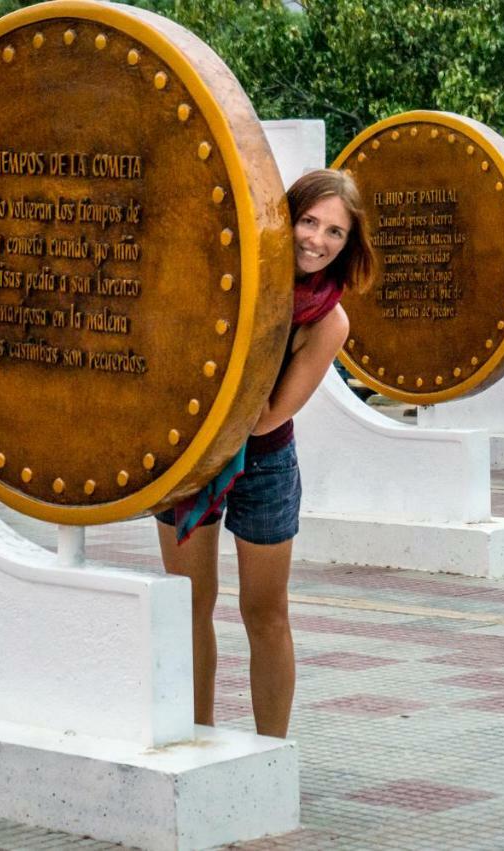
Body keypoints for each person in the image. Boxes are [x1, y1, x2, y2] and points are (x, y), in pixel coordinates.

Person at [155, 168, 376, 738]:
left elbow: (270, 414)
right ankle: (195, 738)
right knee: (188, 605)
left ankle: (270, 753)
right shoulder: (235, 275)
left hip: (264, 463)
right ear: (286, 218)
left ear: (349, 245)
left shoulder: (330, 321)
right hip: (191, 455)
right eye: (309, 221)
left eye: (335, 233)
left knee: (265, 612)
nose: (317, 241)